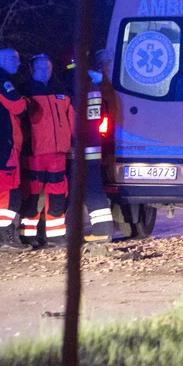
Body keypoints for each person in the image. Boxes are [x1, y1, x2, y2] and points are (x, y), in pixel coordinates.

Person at [19, 54, 74, 247]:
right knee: (31, 194)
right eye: (41, 68)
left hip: (58, 153)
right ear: (32, 69)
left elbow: (72, 118)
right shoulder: (24, 90)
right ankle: (27, 234)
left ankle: (55, 235)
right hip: (34, 152)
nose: (45, 71)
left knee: (58, 194)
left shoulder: (62, 91)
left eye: (48, 68)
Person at [78, 50, 115, 242]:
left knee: (91, 188)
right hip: (93, 144)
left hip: (84, 145)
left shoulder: (84, 86)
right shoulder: (95, 85)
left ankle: (102, 231)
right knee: (92, 186)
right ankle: (103, 229)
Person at [0, 48, 29, 250]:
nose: (18, 63)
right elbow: (18, 106)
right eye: (14, 59)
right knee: (8, 193)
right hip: (2, 146)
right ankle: (5, 238)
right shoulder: (1, 78)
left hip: (2, 144)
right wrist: (26, 101)